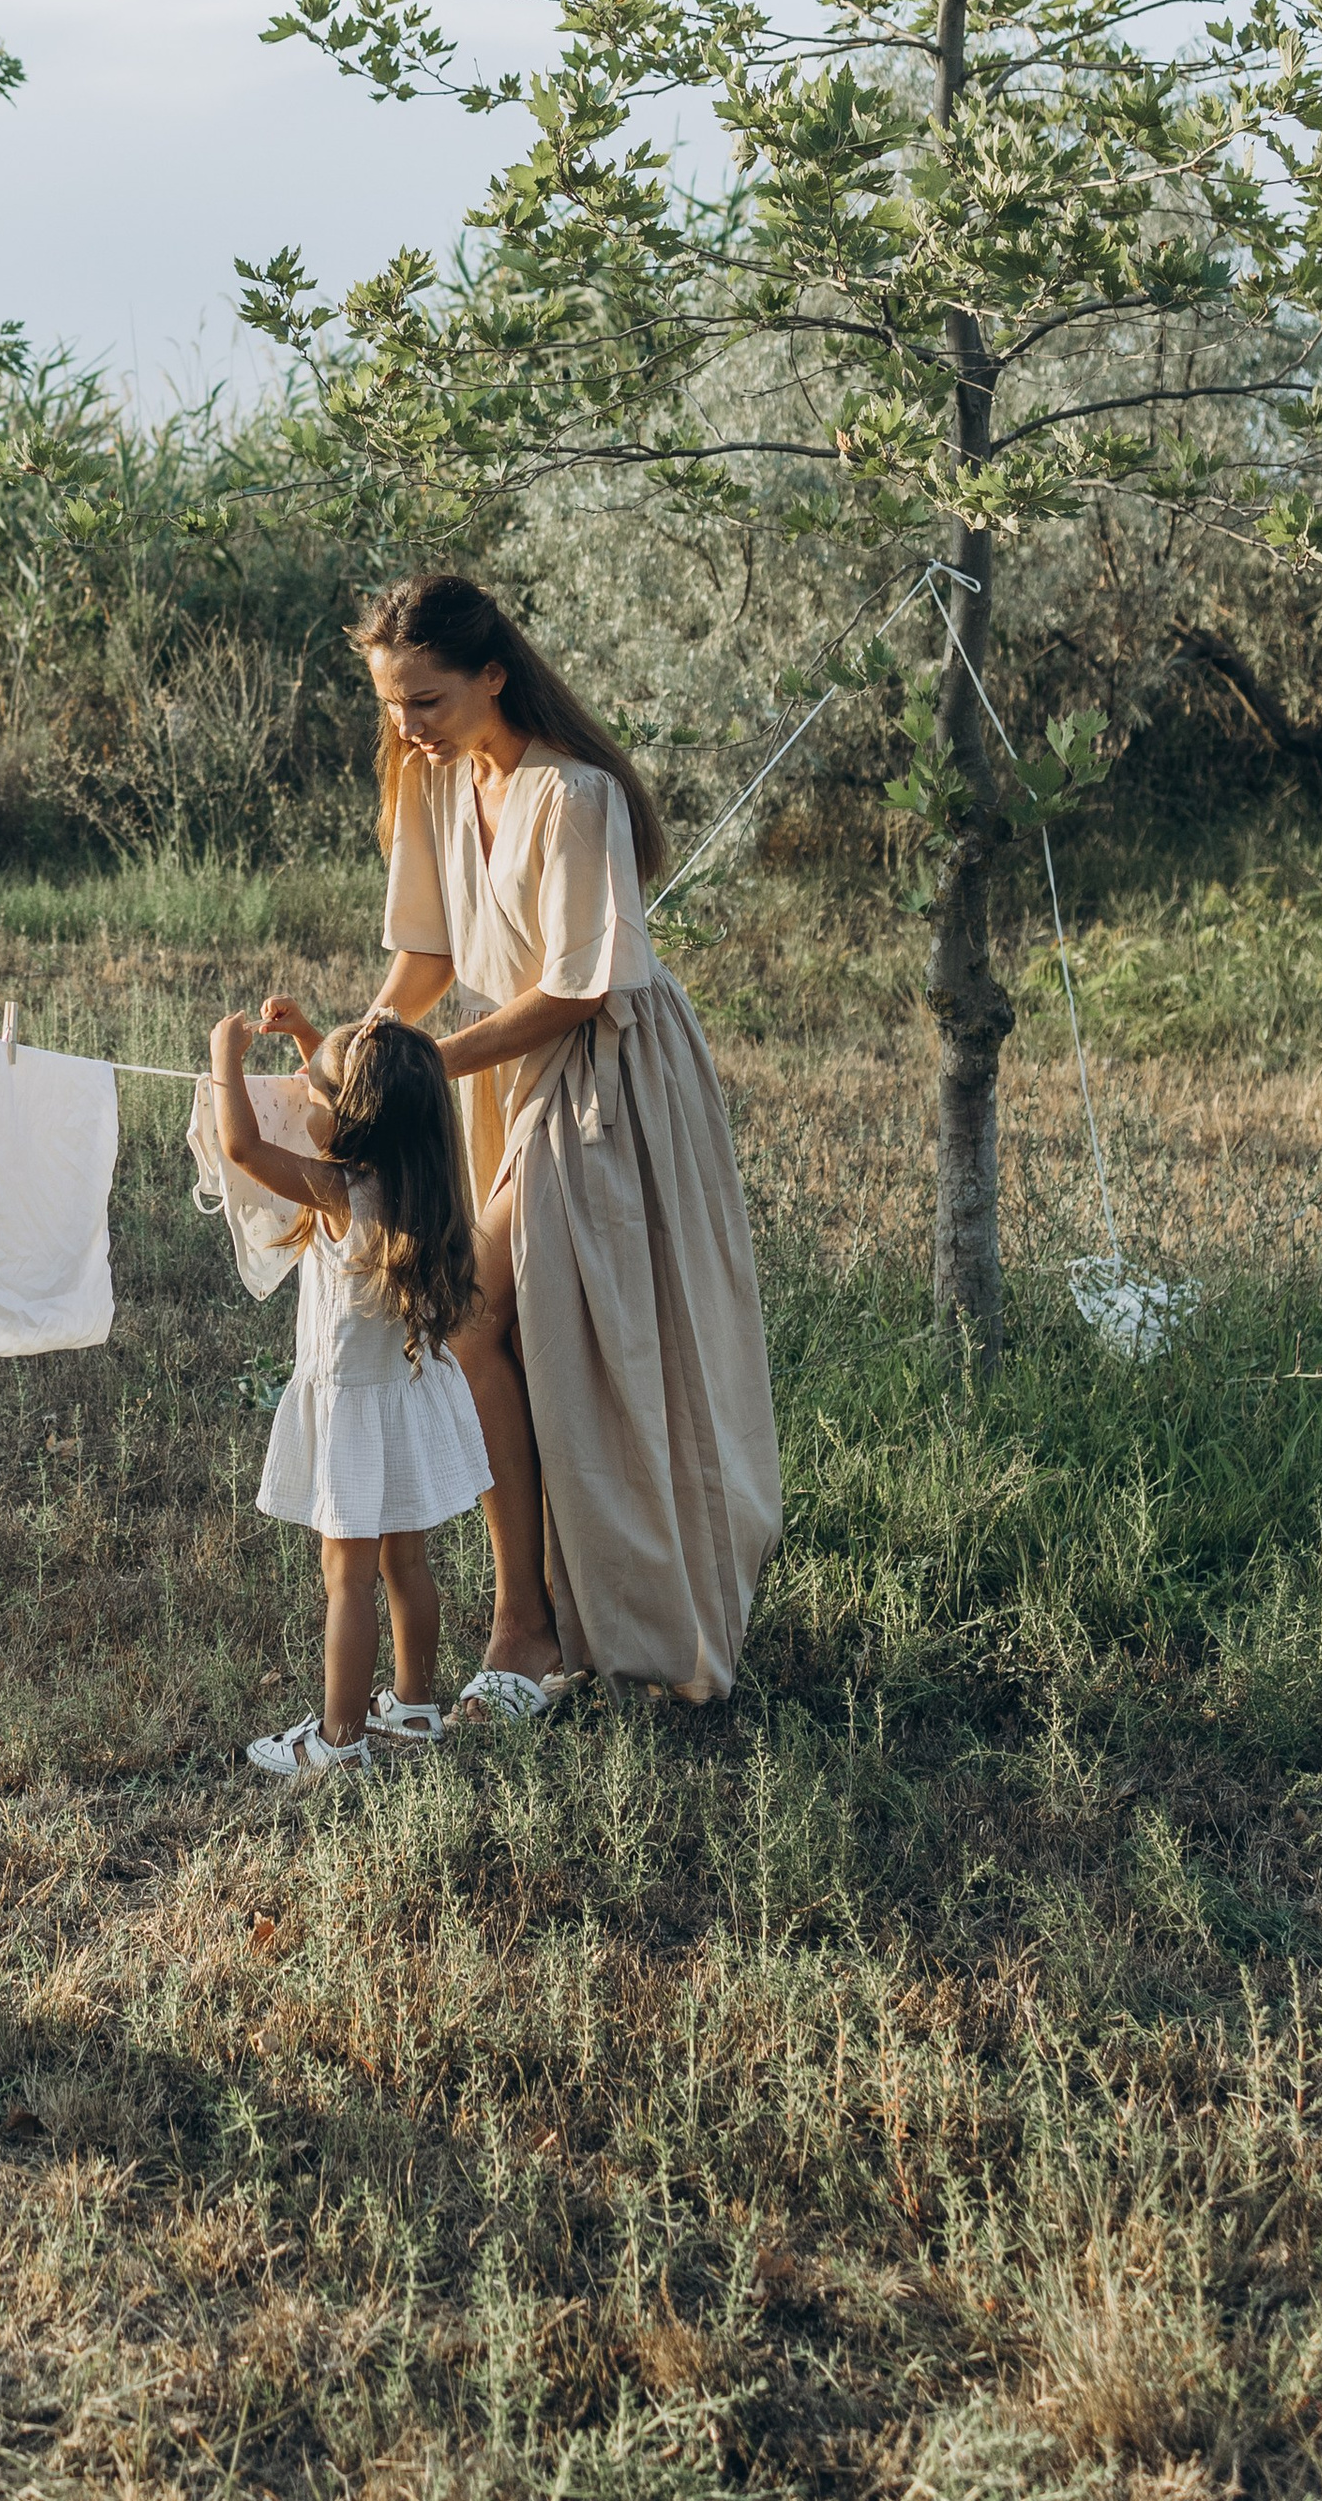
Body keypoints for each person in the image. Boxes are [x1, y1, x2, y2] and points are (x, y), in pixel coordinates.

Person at [263, 571, 780, 1717]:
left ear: (492, 675)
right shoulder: (436, 784)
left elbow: (578, 990)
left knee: (493, 1318)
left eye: (428, 701)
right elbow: (426, 963)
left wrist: (425, 1071)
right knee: (476, 1323)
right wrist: (358, 1048)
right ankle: (533, 1616)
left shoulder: (574, 795)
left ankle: (531, 1629)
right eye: (392, 704)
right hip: (496, 1074)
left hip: (601, 1078)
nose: (407, 726)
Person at [209, 1005, 493, 1779]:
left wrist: (223, 1060)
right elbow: (346, 1100)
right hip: (400, 1399)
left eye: (315, 1092)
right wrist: (310, 1038)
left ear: (351, 1122)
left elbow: (240, 1144)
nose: (302, 1096)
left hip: (354, 1415)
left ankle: (338, 1741)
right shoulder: (411, 1187)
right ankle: (415, 1703)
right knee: (407, 1564)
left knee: (348, 1581)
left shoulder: (340, 1193)